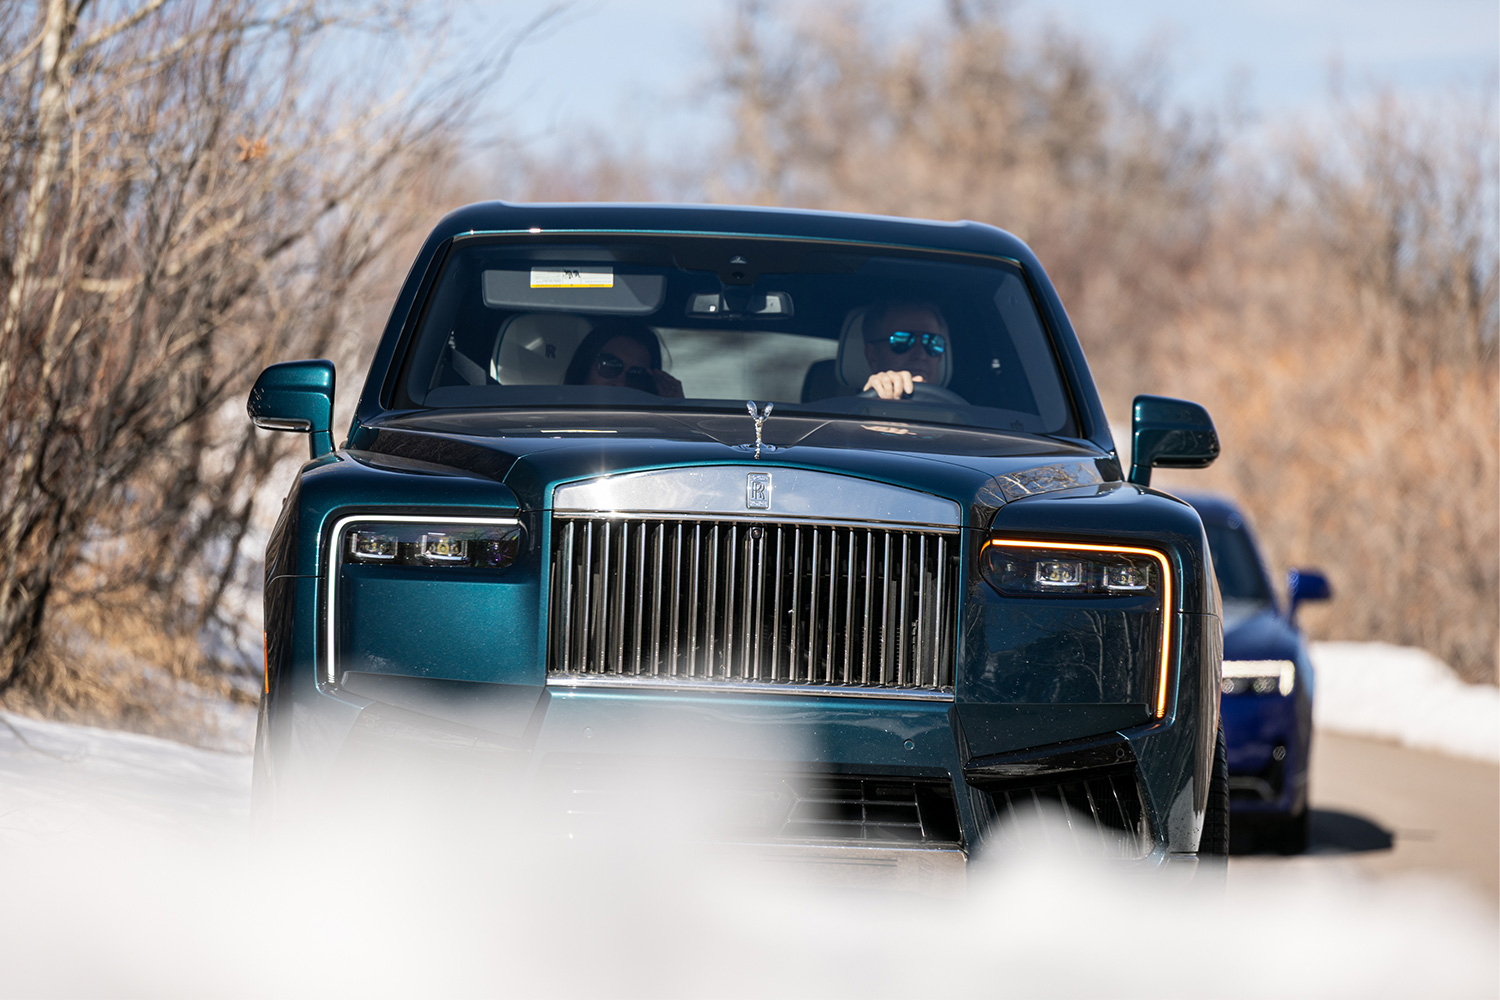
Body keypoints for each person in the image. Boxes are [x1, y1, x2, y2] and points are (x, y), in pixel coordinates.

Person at [564, 320, 683, 397]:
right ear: (585, 368)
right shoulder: (554, 421)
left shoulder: (653, 429)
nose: (621, 384)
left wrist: (675, 411)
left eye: (636, 375)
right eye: (610, 366)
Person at [860, 300, 949, 401]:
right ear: (873, 356)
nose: (921, 355)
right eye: (902, 341)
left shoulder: (959, 409)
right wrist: (876, 399)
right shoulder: (849, 409)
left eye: (932, 343)